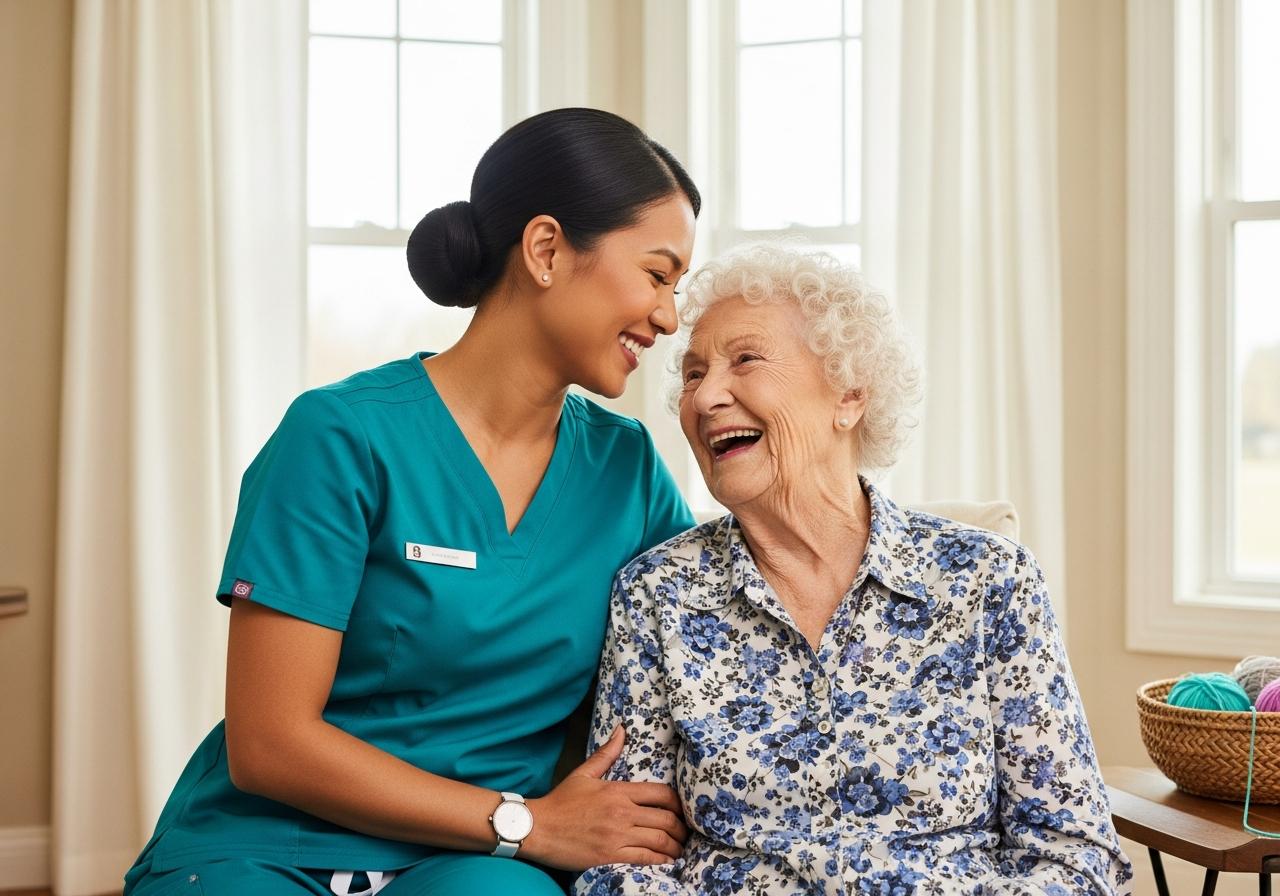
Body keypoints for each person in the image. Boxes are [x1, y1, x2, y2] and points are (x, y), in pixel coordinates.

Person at [123, 108, 700, 896]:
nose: (669, 317)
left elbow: (702, 655)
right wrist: (527, 822)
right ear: (546, 251)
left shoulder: (625, 469)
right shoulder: (339, 436)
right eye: (658, 275)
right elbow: (268, 743)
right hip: (269, 847)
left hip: (476, 867)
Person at [574, 243, 1134, 895]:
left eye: (744, 360)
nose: (705, 398)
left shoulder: (991, 581)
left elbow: (1075, 853)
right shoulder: (657, 594)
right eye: (694, 375)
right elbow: (620, 861)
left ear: (849, 394)